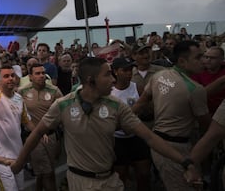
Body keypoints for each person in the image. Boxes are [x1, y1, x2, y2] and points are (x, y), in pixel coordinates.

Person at [11, 57, 199, 191]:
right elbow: (36, 134)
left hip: (110, 181)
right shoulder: (63, 105)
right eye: (108, 75)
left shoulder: (116, 106)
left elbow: (148, 137)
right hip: (80, 182)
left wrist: (185, 161)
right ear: (91, 80)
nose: (114, 79)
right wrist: (19, 163)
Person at [132, 40, 211, 190]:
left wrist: (123, 121)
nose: (203, 61)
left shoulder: (159, 75)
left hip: (158, 144)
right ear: (182, 61)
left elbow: (141, 103)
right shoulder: (195, 89)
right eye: (198, 57)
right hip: (177, 146)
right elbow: (205, 124)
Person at [0, 64, 35, 191]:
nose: (11, 79)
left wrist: (40, 133)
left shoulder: (19, 98)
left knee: (20, 188)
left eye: (12, 75)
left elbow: (27, 121)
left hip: (17, 154)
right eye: (6, 76)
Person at [17, 63, 63, 191]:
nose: (41, 76)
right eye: (37, 73)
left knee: (48, 170)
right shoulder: (22, 91)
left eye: (43, 73)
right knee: (46, 172)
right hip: (34, 138)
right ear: (30, 76)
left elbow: (63, 112)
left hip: (52, 137)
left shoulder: (54, 91)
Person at [111, 58, 151, 190]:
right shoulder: (109, 92)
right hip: (118, 139)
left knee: (144, 173)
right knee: (121, 174)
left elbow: (147, 107)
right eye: (125, 70)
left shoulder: (137, 87)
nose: (129, 73)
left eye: (130, 70)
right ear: (116, 72)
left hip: (137, 136)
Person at [192, 46, 225, 115]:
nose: (208, 60)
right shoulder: (198, 71)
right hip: (204, 111)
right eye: (206, 57)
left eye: (212, 58)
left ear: (221, 60)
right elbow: (198, 96)